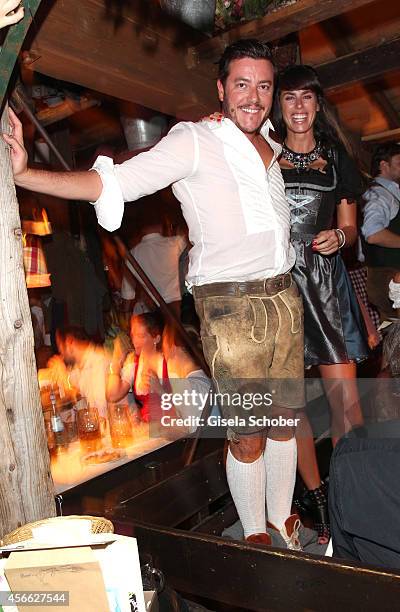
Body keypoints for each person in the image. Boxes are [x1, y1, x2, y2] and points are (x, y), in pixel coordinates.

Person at [4, 39, 304, 549]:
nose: (253, 97)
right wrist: (28, 172)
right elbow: (117, 182)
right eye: (241, 85)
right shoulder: (195, 139)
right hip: (232, 306)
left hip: (284, 298)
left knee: (284, 422)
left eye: (263, 86)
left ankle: (284, 521)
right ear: (221, 88)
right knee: (249, 430)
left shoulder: (273, 146)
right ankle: (257, 536)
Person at [273, 64, 369, 542]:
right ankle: (318, 505)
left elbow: (351, 230)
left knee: (346, 405)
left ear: (317, 104)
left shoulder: (335, 158)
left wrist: (338, 234)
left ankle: (353, 498)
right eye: (288, 98)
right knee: (290, 409)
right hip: (278, 286)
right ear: (279, 104)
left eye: (306, 98)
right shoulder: (262, 153)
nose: (298, 107)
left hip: (327, 285)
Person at [361, 143, 400, 322]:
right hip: (387, 276)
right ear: (384, 165)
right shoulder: (379, 195)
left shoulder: (387, 194)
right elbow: (373, 233)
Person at [106, 311, 167, 422]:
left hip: (169, 425)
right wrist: (115, 367)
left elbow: (185, 403)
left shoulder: (168, 361)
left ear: (156, 338)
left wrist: (160, 390)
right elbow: (113, 396)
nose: (135, 341)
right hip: (148, 427)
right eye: (133, 336)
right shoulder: (134, 362)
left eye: (141, 336)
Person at [120, 222, 186, 318]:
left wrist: (126, 316)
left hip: (152, 314)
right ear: (160, 225)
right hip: (177, 309)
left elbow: (128, 294)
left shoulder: (132, 254)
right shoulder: (176, 243)